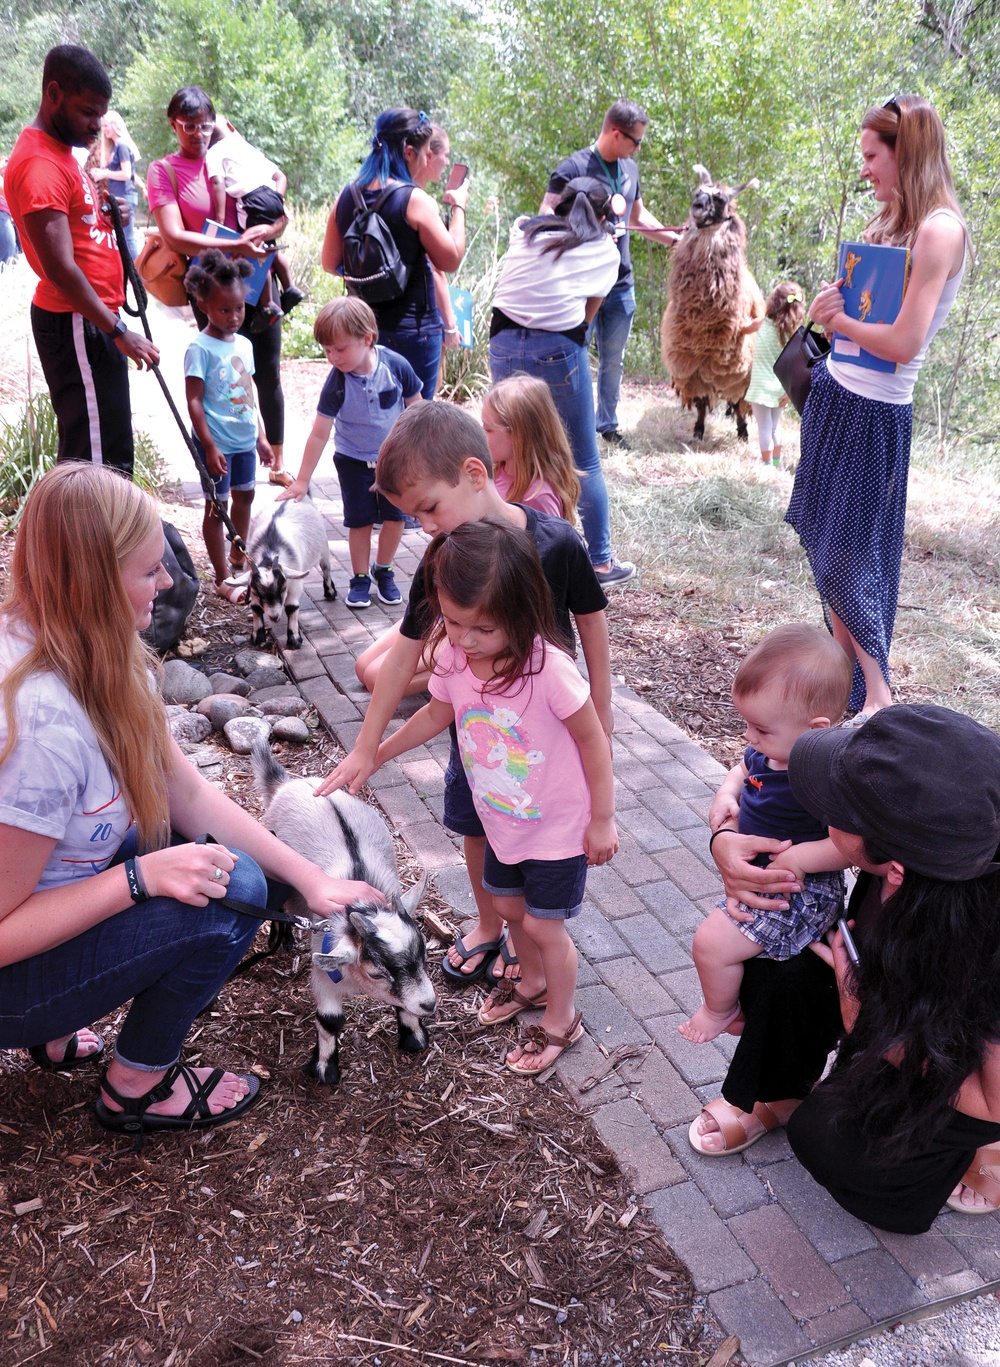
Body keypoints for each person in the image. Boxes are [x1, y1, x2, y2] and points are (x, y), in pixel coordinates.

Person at [0, 464, 383, 1136]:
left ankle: (58, 1030)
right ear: (92, 581)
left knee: (229, 866)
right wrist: (138, 880)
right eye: (151, 572)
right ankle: (137, 1085)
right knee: (227, 892)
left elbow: (186, 790)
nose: (171, 582)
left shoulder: (83, 645)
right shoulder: (42, 731)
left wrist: (312, 877)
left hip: (37, 910)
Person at [323, 402, 612, 996]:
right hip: (478, 735)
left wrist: (602, 713)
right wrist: (365, 748)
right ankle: (491, 924)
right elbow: (405, 651)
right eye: (412, 515)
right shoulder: (442, 558)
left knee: (538, 838)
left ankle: (532, 939)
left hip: (545, 740)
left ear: (474, 474)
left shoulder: (557, 543)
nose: (425, 525)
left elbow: (592, 623)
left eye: (429, 506)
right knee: (477, 827)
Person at [699, 704, 1000, 1236]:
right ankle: (778, 1089)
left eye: (837, 810)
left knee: (832, 1142)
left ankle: (974, 1156)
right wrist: (724, 842)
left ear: (897, 869)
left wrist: (864, 1016)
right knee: (776, 959)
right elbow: (770, 789)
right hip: (904, 1001)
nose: (819, 810)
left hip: (977, 1074)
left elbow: (990, 1098)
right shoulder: (930, 843)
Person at [370, 518, 618, 1071]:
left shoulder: (549, 669)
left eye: (481, 628)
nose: (462, 638)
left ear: (521, 612)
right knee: (508, 907)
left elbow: (593, 742)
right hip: (503, 823)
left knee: (543, 924)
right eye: (452, 622)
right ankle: (530, 981)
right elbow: (438, 711)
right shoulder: (457, 658)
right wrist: (381, 752)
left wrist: (603, 818)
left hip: (556, 828)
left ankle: (562, 1019)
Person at [785, 96, 968, 720]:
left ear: (905, 153)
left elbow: (906, 341)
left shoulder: (939, 230)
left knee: (851, 558)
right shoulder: (888, 223)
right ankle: (848, 694)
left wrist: (843, 323)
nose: (863, 170)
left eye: (871, 156)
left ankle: (877, 695)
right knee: (824, 548)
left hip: (875, 415)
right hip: (835, 398)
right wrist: (830, 308)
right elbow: (856, 323)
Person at [680, 624, 852, 1047]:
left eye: (761, 729)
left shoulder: (822, 777)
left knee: (710, 945)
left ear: (815, 729)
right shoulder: (770, 749)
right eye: (747, 724)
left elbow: (848, 846)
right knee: (730, 944)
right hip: (766, 874)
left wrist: (798, 860)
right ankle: (741, 1006)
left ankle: (721, 1010)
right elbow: (742, 767)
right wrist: (727, 791)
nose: (749, 737)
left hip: (801, 888)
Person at [4, 46, 159, 475]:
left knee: (109, 450)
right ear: (53, 93)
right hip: (78, 321)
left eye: (102, 113)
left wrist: (110, 215)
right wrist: (119, 330)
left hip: (92, 320)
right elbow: (59, 268)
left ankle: (102, 540)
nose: (98, 125)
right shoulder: (39, 163)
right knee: (96, 465)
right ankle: (87, 543)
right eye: (88, 112)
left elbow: (78, 228)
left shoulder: (61, 153)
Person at [146, 86, 294, 488]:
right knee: (223, 373)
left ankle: (276, 461)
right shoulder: (166, 170)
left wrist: (273, 226)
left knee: (266, 368)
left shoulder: (233, 153)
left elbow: (278, 204)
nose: (198, 133)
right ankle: (219, 457)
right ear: (174, 124)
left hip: (258, 277)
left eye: (205, 125)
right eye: (188, 126)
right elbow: (176, 235)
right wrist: (235, 244)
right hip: (210, 286)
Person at [490, 177, 635, 586]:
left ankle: (505, 545)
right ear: (605, 215)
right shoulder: (604, 250)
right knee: (583, 459)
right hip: (556, 349)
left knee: (511, 449)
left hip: (501, 340)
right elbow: (585, 321)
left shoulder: (524, 229)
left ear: (558, 205)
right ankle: (601, 562)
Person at [541, 99, 679, 449]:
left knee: (612, 360)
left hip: (620, 284)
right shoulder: (573, 167)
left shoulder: (629, 170)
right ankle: (570, 430)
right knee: (575, 354)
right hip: (581, 286)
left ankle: (608, 426)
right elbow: (545, 217)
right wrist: (587, 231)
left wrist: (675, 239)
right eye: (636, 141)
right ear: (615, 133)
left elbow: (638, 217)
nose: (638, 149)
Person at [278, 296, 422, 608]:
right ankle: (359, 577)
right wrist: (302, 480)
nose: (332, 357)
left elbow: (419, 409)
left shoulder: (396, 367)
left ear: (367, 339)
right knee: (359, 522)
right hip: (352, 461)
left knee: (396, 518)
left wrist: (421, 453)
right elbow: (319, 432)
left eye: (339, 349)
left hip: (394, 460)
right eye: (327, 350)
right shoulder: (338, 382)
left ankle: (383, 569)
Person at [322, 108, 469, 400]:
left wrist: (370, 276)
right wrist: (459, 207)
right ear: (410, 152)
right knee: (414, 427)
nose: (428, 159)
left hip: (363, 330)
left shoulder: (347, 196)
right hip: (413, 332)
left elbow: (330, 262)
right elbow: (450, 260)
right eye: (427, 152)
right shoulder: (414, 200)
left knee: (374, 419)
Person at [183, 249, 275, 601]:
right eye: (225, 309)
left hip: (243, 439)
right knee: (215, 506)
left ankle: (238, 553)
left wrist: (262, 438)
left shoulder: (246, 345)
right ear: (203, 303)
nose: (234, 316)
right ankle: (222, 577)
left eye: (239, 308)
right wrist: (208, 445)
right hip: (216, 442)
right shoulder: (199, 348)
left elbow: (249, 394)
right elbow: (193, 400)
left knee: (245, 495)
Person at [206, 116, 304, 325]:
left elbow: (217, 184)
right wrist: (277, 200)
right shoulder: (246, 147)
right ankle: (290, 288)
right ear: (231, 126)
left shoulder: (213, 152)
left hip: (253, 201)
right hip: (272, 195)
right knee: (270, 248)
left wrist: (220, 219)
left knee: (254, 253)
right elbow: (280, 176)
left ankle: (267, 305)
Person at [481, 375, 581, 520]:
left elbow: (555, 540)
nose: (481, 433)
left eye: (488, 429)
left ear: (519, 436)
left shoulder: (538, 497)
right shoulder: (496, 470)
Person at [406, 123, 462, 353]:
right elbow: (441, 267)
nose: (447, 163)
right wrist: (449, 324)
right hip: (419, 320)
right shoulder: (419, 203)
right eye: (445, 155)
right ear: (428, 155)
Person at [742, 282, 805, 467]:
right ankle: (777, 464)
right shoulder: (793, 333)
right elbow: (796, 365)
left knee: (764, 428)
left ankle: (767, 465)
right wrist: (789, 392)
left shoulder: (762, 323)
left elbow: (744, 328)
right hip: (780, 387)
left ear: (774, 302)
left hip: (761, 387)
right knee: (775, 426)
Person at [88, 110, 142, 259]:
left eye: (107, 126)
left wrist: (104, 174)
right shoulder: (115, 147)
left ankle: (137, 276)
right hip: (118, 197)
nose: (104, 129)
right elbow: (130, 174)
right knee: (122, 239)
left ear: (115, 125)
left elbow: (126, 174)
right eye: (103, 126)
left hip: (125, 197)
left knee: (128, 239)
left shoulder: (122, 146)